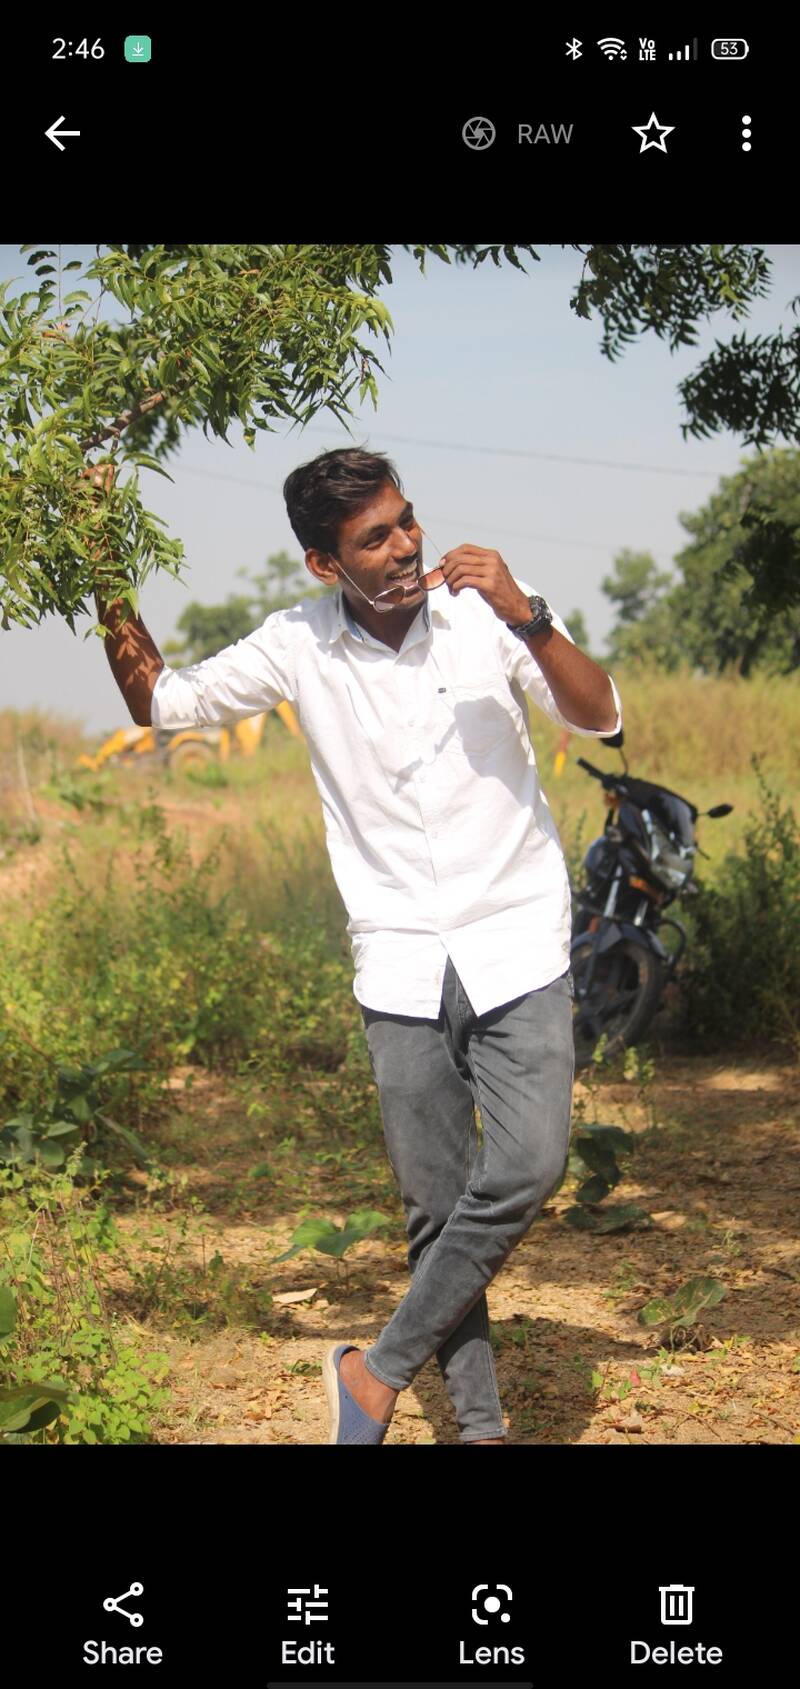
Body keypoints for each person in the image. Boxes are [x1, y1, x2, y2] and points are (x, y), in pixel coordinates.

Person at [93, 446, 622, 1445]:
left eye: (407, 520)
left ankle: (372, 1374)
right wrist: (98, 560)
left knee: (527, 1167)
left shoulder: (485, 615)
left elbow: (599, 717)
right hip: (398, 962)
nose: (406, 545)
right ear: (323, 562)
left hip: (515, 941)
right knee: (434, 1209)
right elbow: (157, 703)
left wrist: (526, 612)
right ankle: (479, 1428)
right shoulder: (297, 644)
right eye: (375, 537)